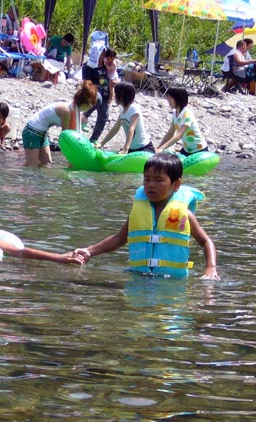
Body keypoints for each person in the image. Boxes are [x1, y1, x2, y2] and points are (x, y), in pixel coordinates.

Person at [73, 153, 219, 280]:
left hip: (172, 282)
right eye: (147, 179)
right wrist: (89, 251)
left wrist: (210, 268)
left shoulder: (185, 215)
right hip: (138, 277)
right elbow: (119, 239)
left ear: (176, 184)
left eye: (158, 180)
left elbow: (206, 242)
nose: (151, 185)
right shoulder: (138, 212)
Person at [22, 80, 98, 167]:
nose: (92, 106)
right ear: (85, 102)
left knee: (46, 165)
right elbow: (66, 137)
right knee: (31, 166)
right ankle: (14, 172)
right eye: (92, 103)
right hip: (32, 131)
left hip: (43, 133)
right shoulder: (67, 111)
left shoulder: (74, 110)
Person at [100, 81, 154, 154]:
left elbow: (132, 128)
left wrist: (125, 149)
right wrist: (102, 143)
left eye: (116, 94)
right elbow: (115, 128)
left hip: (143, 148)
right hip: (132, 149)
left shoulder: (134, 108)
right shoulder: (122, 111)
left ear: (122, 96)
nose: (114, 96)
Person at [155, 87, 208, 155]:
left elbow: (179, 135)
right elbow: (170, 133)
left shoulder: (186, 114)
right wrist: (158, 148)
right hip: (187, 150)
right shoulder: (175, 114)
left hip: (199, 150)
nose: (168, 100)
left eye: (170, 98)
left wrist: (162, 148)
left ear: (178, 98)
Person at [82, 47, 118, 144]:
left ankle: (94, 139)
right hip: (94, 93)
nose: (103, 57)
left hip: (106, 93)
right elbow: (86, 83)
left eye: (104, 55)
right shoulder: (88, 66)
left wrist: (115, 83)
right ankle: (85, 117)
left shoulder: (105, 64)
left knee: (104, 115)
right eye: (101, 55)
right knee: (98, 98)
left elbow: (113, 75)